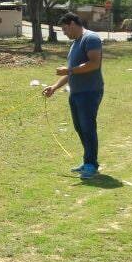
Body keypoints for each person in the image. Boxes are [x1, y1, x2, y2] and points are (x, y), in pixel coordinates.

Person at [43, 13, 104, 179]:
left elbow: (94, 63)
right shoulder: (75, 43)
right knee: (80, 128)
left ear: (72, 24)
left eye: (64, 29)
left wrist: (69, 70)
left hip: (89, 92)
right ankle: (88, 161)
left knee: (88, 128)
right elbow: (72, 72)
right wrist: (55, 87)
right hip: (76, 92)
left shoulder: (90, 38)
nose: (64, 33)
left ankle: (91, 165)